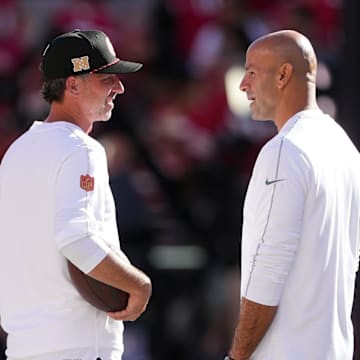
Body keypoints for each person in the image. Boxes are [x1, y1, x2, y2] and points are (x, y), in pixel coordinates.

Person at [0, 29, 152, 360]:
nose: (119, 87)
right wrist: (139, 285)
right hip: (78, 345)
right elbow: (75, 237)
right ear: (73, 84)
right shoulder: (81, 149)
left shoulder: (16, 151)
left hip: (24, 347)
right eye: (107, 78)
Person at [225, 30, 360, 360]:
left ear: (283, 75)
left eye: (252, 72)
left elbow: (268, 271)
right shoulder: (344, 147)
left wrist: (236, 357)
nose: (243, 85)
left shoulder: (285, 150)